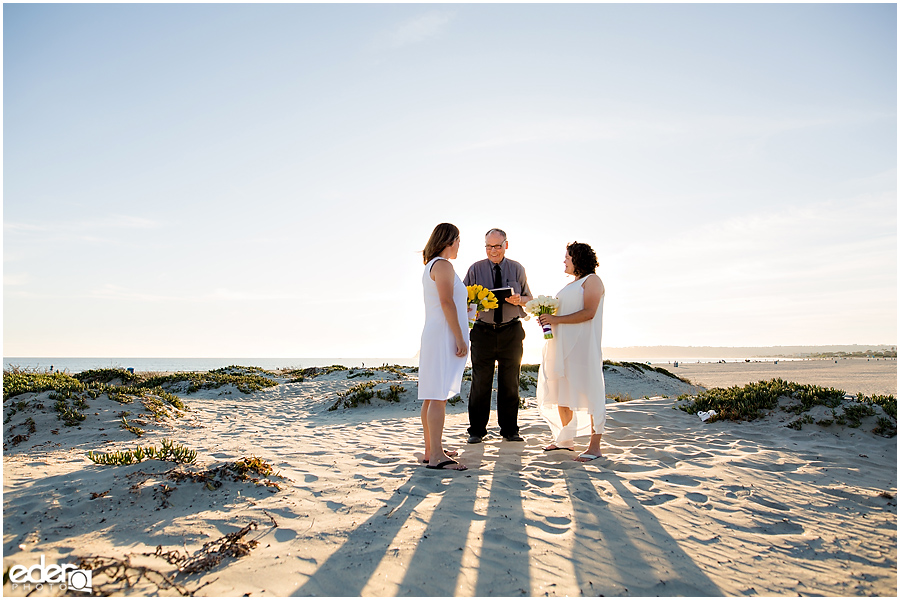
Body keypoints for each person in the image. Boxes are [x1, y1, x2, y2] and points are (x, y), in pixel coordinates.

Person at [536, 241, 606, 462]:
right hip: (562, 344)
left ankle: (595, 446)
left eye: (567, 257)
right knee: (562, 389)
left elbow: (589, 313)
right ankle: (565, 440)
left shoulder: (592, 281)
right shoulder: (570, 285)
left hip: (583, 346)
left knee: (591, 389)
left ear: (578, 258)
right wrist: (548, 319)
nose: (564, 261)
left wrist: (556, 319)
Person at [463, 228, 533, 444]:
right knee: (480, 382)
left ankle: (510, 430)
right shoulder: (475, 269)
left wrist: (519, 300)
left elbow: (530, 299)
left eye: (497, 246)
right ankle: (476, 431)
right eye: (488, 246)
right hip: (483, 332)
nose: (493, 250)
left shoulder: (517, 268)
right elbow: (463, 299)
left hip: (511, 331)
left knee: (510, 382)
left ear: (506, 245)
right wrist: (476, 303)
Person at [418, 223, 469, 471]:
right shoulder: (444, 265)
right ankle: (437, 456)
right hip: (443, 336)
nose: (460, 245)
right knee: (438, 396)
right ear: (451, 240)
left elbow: (450, 304)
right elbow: (447, 303)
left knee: (431, 395)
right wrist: (460, 338)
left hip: (434, 333)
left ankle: (431, 450)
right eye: (459, 240)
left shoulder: (432, 266)